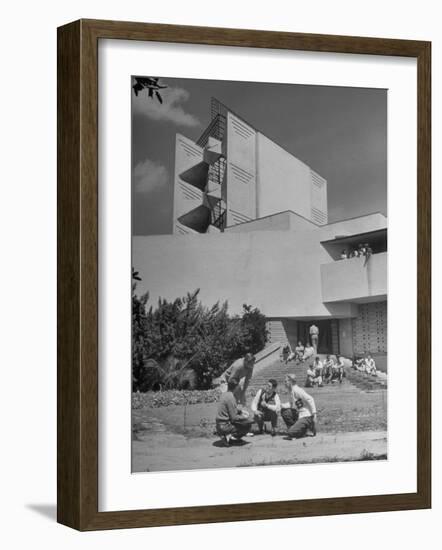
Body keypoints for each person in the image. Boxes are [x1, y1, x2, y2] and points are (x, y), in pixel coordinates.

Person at [215, 378, 253, 446]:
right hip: (225, 425)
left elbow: (228, 410)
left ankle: (225, 435)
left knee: (244, 420)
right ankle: (233, 438)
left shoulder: (224, 394)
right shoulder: (231, 397)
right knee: (247, 425)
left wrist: (240, 411)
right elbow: (234, 418)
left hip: (219, 424)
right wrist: (246, 418)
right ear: (236, 388)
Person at [280, 374, 317, 439]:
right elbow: (291, 404)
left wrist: (314, 414)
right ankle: (299, 428)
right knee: (284, 411)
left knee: (290, 432)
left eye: (286, 381)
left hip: (306, 415)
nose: (284, 383)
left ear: (290, 382)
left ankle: (308, 426)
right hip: (300, 414)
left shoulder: (297, 390)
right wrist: (281, 405)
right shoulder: (291, 391)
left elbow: (310, 399)